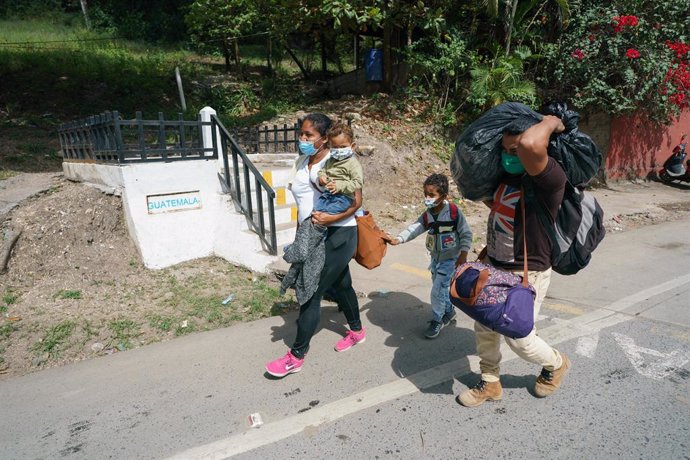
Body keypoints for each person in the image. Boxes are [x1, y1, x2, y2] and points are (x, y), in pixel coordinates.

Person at [457, 115, 572, 407]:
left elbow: (532, 143)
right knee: (484, 329)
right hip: (494, 266)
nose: (511, 155)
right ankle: (490, 383)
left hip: (527, 274)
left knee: (520, 339)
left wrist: (552, 120)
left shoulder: (550, 180)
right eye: (506, 150)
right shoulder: (505, 179)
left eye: (516, 150)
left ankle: (556, 363)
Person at [266, 113, 365, 378]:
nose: (303, 139)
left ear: (324, 139)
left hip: (339, 234)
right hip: (313, 234)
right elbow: (303, 204)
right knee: (341, 283)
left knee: (310, 289)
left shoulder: (336, 162)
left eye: (309, 135)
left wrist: (331, 217)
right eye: (301, 133)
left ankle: (296, 356)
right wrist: (302, 236)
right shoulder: (301, 162)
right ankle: (357, 331)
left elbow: (356, 202)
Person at [385, 173, 472, 339]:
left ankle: (437, 320)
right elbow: (416, 227)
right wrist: (399, 238)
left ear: (443, 196)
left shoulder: (453, 212)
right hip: (435, 259)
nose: (427, 198)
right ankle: (449, 311)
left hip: (450, 259)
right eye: (425, 194)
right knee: (439, 288)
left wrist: (463, 255)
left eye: (431, 195)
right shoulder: (429, 214)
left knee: (437, 289)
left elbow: (466, 234)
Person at [315, 123, 363, 215]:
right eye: (335, 147)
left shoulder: (352, 163)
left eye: (343, 147)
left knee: (324, 215)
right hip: (327, 195)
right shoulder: (330, 160)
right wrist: (322, 176)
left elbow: (358, 183)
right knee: (315, 212)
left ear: (352, 146)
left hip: (343, 197)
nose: (339, 150)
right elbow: (323, 170)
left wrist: (339, 186)